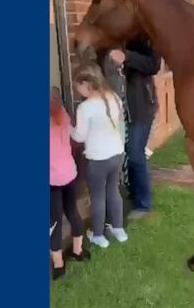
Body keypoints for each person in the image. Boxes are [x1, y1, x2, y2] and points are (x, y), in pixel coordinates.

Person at [103, 35, 161, 220]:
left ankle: (143, 204)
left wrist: (126, 56)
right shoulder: (116, 37)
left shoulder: (145, 37)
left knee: (135, 154)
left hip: (141, 109)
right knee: (129, 153)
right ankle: (135, 192)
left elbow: (154, 65)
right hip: (121, 110)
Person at [71, 65, 128, 248]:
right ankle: (119, 230)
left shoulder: (85, 108)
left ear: (86, 84)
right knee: (113, 190)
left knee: (97, 196)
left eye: (77, 86)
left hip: (98, 159)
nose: (76, 89)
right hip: (116, 154)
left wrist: (66, 127)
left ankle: (98, 236)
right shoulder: (114, 97)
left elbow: (79, 136)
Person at [50, 90, 90, 281]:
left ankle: (58, 265)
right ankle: (78, 251)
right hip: (69, 173)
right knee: (72, 212)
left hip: (52, 180)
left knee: (54, 222)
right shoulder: (64, 116)